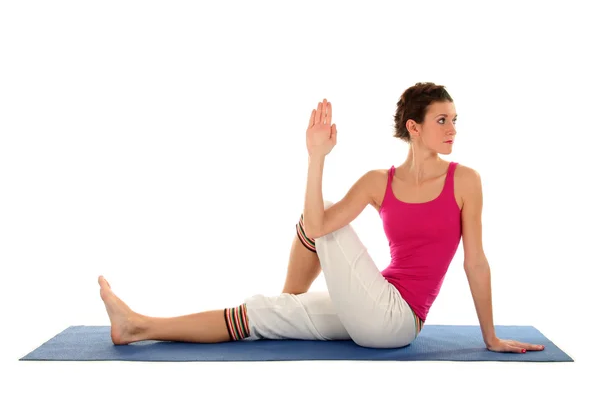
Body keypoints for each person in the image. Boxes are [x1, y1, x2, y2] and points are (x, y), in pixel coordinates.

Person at [98, 82, 545, 353]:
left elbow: (476, 262)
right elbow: (316, 224)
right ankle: (138, 326)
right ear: (414, 127)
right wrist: (316, 157)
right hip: (371, 305)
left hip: (398, 320)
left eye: (454, 119)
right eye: (442, 120)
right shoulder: (378, 181)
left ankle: (289, 299)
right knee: (255, 314)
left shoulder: (464, 181)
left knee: (321, 222)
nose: (452, 129)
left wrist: (491, 336)